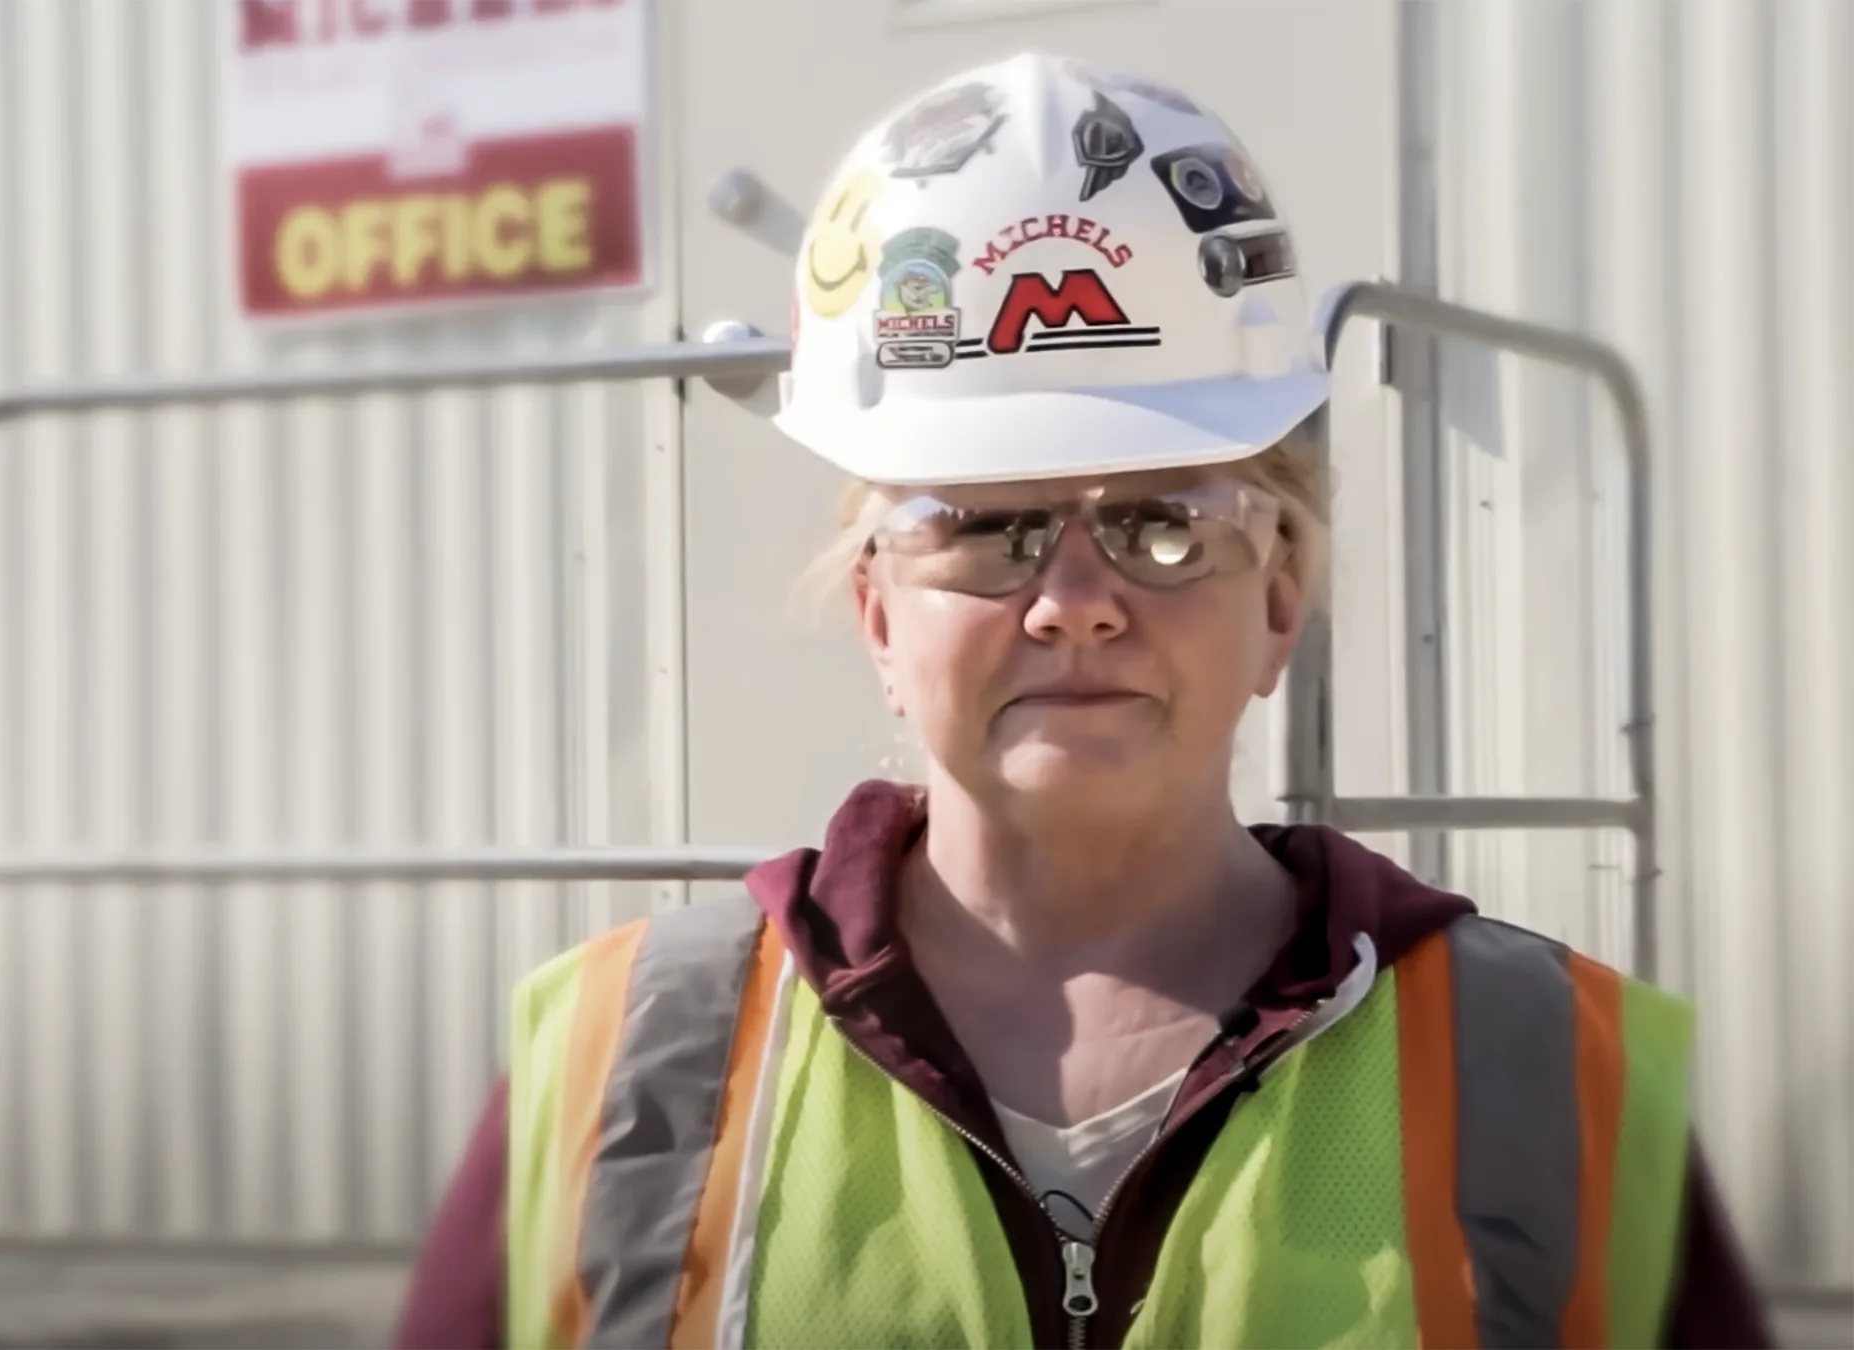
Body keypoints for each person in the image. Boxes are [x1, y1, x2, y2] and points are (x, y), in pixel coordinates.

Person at [393, 52, 1771, 1350]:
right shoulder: (612, 1072)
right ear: (880, 610)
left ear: (1280, 596)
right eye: (987, 527)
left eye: (1167, 523)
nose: (1073, 598)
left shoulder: (1554, 1073)